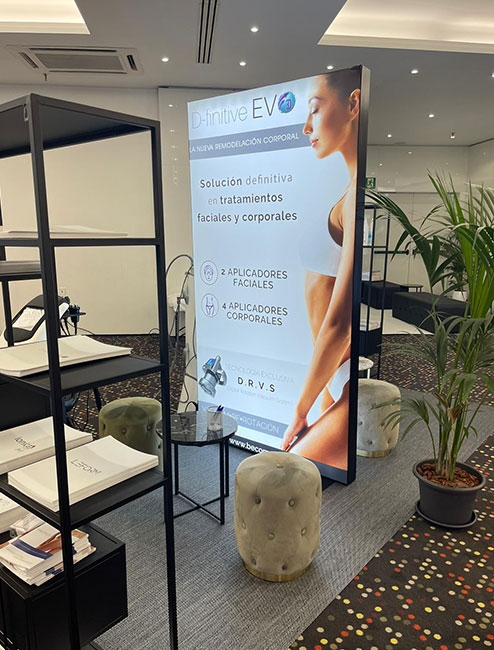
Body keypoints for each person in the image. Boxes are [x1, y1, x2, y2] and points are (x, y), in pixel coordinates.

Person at [281, 70, 361, 470]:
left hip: (342, 376)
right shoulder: (346, 192)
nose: (306, 127)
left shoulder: (354, 198)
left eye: (315, 109)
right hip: (332, 374)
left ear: (353, 104)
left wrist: (300, 410)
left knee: (286, 476)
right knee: (310, 486)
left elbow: (340, 323)